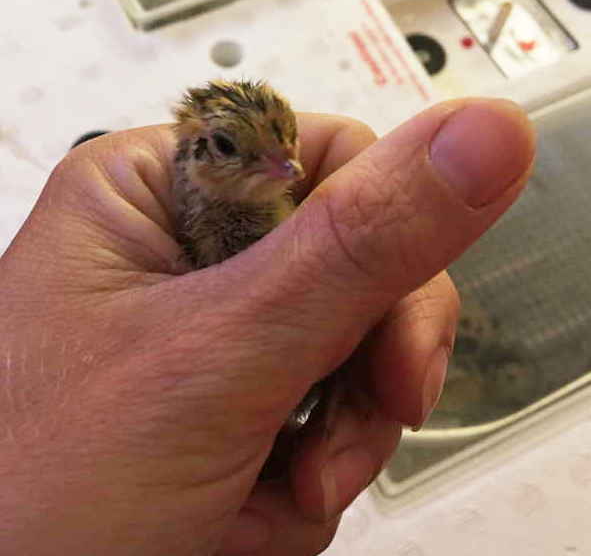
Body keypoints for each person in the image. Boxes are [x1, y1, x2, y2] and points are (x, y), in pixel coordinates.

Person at [0, 98, 535, 556]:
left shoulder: (265, 226)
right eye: (232, 148)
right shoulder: (177, 247)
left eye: (288, 146)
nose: (292, 168)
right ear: (193, 155)